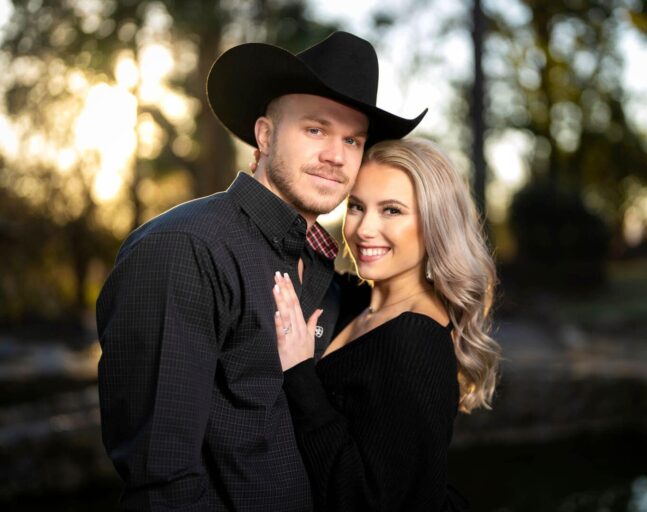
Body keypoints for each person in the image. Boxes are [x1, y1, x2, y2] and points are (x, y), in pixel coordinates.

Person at [96, 32, 426, 511]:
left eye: (352, 139)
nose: (337, 155)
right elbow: (162, 483)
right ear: (265, 136)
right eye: (316, 130)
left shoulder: (325, 272)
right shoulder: (183, 250)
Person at [268, 137, 501, 511]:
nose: (363, 229)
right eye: (356, 207)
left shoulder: (414, 340)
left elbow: (367, 502)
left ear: (434, 225)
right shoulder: (362, 300)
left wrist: (298, 374)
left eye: (392, 211)